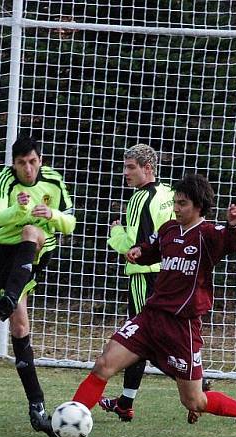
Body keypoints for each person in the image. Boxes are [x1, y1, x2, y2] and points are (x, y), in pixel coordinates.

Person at [71, 173, 236, 437]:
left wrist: (233, 226)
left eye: (182, 203)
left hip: (181, 326)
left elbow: (232, 241)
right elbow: (155, 249)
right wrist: (140, 252)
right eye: (175, 202)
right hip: (151, 317)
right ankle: (72, 419)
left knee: (194, 401)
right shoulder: (169, 229)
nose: (176, 208)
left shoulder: (208, 234)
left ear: (198, 206)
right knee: (103, 365)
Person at [0, 136, 76, 437]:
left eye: (33, 161)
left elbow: (71, 222)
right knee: (20, 329)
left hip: (38, 246)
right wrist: (17, 209)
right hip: (6, 254)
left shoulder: (53, 180)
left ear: (41, 160)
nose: (27, 168)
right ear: (13, 163)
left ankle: (11, 295)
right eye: (21, 162)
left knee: (32, 231)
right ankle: (37, 409)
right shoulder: (5, 181)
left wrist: (53, 215)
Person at [101, 144, 176, 422]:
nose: (125, 173)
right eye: (125, 167)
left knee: (139, 339)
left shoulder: (139, 199)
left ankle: (195, 382)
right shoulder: (169, 193)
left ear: (148, 168)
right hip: (170, 275)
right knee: (151, 337)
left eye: (131, 167)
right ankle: (125, 402)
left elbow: (134, 249)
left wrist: (115, 232)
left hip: (144, 276)